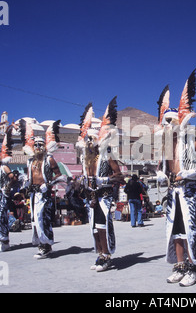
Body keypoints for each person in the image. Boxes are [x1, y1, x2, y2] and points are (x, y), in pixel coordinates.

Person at [155, 69, 196, 287]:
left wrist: (193, 171)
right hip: (173, 190)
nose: (168, 125)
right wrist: (160, 173)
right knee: (174, 230)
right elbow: (163, 166)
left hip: (189, 189)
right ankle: (179, 266)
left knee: (188, 228)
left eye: (171, 120)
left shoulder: (191, 138)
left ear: (178, 120)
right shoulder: (166, 145)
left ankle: (193, 267)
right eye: (165, 121)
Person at [77, 98, 124, 272]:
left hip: (103, 197)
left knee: (102, 227)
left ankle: (107, 256)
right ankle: (100, 255)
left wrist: (105, 180)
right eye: (87, 139)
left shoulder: (106, 156)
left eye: (92, 139)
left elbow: (119, 175)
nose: (89, 142)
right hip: (91, 198)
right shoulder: (86, 160)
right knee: (93, 229)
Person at [19, 119, 66, 259]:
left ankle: (46, 246)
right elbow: (29, 176)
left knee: (42, 219)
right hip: (33, 194)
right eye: (36, 144)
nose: (38, 147)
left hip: (44, 194)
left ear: (45, 146)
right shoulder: (30, 161)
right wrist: (26, 183)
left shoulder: (49, 159)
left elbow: (59, 174)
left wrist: (49, 184)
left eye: (41, 144)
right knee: (34, 220)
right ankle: (41, 245)